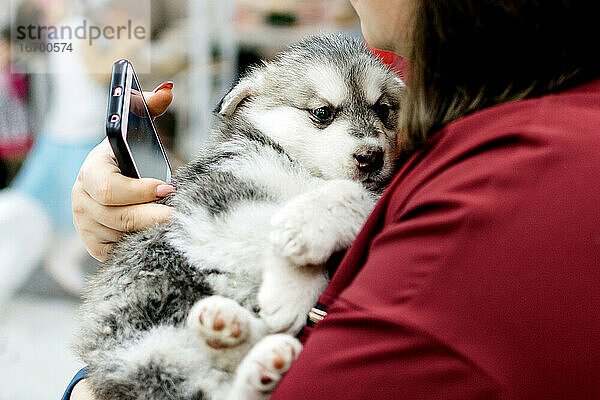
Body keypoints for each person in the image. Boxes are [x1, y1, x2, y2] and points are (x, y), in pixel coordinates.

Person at [67, 0, 600, 398]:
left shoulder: (505, 172)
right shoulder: (463, 99)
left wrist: (87, 391)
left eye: (386, 113)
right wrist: (153, 219)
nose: (368, 140)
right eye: (322, 114)